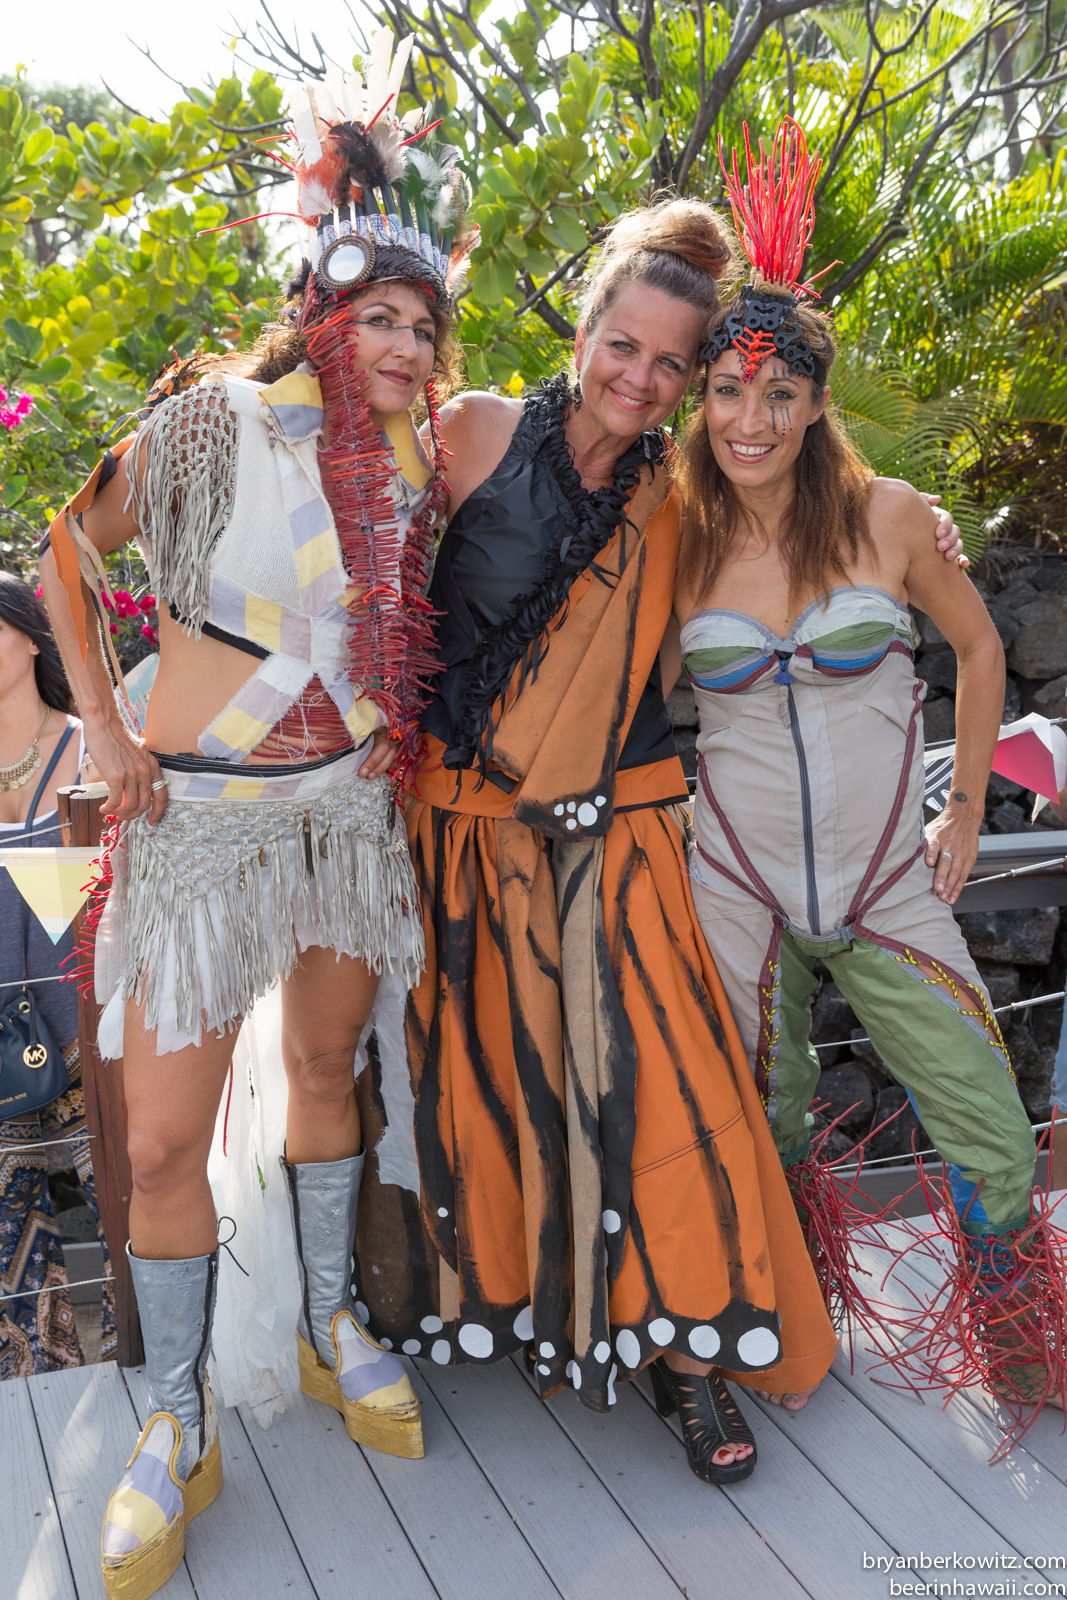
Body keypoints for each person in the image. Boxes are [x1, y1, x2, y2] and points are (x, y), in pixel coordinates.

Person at [349, 194, 969, 1485]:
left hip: (622, 827)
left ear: (691, 382)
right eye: (620, 346)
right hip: (457, 833)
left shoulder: (690, 495)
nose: (638, 378)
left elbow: (823, 536)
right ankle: (533, 1314)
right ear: (581, 334)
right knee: (492, 1090)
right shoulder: (467, 433)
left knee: (662, 1090)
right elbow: (347, 563)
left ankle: (691, 1359)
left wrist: (928, 536)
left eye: (668, 363)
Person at [39, 41, 469, 1599]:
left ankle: (327, 1319)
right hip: (200, 828)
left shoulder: (420, 463)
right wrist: (103, 726)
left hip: (345, 818)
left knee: (326, 1071)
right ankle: (175, 1418)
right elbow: (66, 551)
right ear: (319, 307)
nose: (405, 345)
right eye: (380, 316)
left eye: (423, 323)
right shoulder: (208, 422)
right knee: (160, 1137)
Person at [675, 118, 1062, 1419]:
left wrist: (964, 814)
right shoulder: (672, 538)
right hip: (733, 885)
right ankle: (788, 1325)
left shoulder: (890, 517)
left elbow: (980, 648)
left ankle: (1019, 1350)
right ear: (700, 399)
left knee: (988, 1125)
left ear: (815, 401)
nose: (751, 419)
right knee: (761, 1118)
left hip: (887, 880)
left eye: (778, 393)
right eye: (727, 392)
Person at [0, 574, 116, 1377]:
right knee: (13, 1229)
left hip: (86, 1027)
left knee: (115, 1200)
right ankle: (32, 1379)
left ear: (32, 636)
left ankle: (147, 1365)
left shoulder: (92, 746)